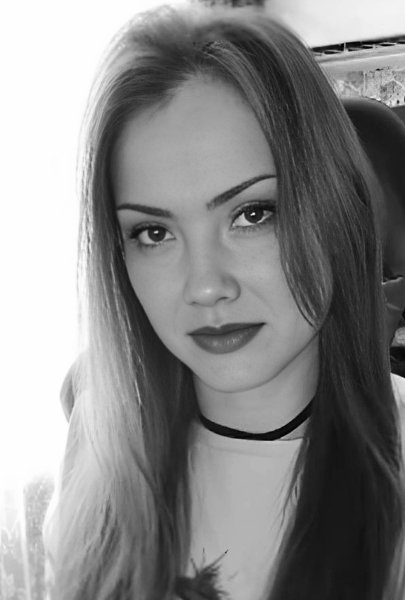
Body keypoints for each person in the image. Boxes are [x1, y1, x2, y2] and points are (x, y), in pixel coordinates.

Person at [43, 3, 405, 599]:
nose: (206, 286)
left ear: (335, 208)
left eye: (252, 214)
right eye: (153, 233)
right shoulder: (101, 441)